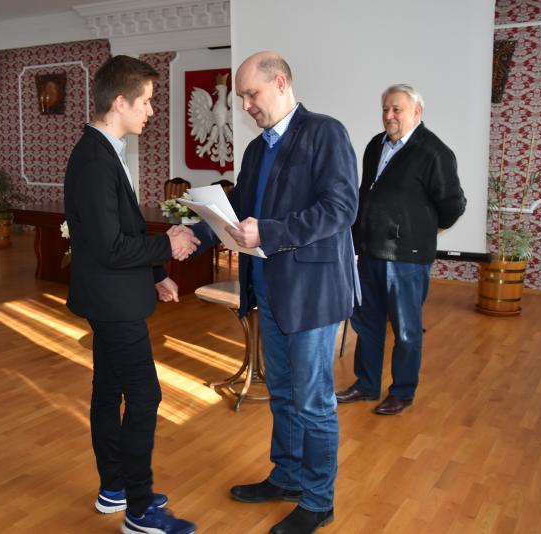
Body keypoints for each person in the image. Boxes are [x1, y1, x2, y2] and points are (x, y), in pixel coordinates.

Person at [191, 51, 358, 534]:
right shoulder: (256, 149)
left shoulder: (325, 132)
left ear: (280, 83)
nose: (245, 105)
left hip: (311, 295)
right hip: (269, 289)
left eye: (251, 94)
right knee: (282, 393)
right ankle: (286, 477)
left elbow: (341, 208)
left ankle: (318, 501)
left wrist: (269, 231)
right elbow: (238, 207)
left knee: (313, 402)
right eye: (242, 97)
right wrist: (194, 231)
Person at [64, 55, 199, 534]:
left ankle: (115, 488)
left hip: (113, 295)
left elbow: (125, 229)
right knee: (145, 396)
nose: (151, 111)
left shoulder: (103, 150)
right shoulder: (94, 160)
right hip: (113, 303)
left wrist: (156, 273)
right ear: (119, 102)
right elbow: (111, 247)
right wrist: (169, 245)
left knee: (109, 391)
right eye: (146, 101)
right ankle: (140, 512)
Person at [336, 84, 467, 415]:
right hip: (370, 253)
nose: (389, 115)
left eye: (397, 109)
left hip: (407, 260)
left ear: (417, 113)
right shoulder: (375, 145)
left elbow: (453, 204)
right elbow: (366, 193)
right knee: (367, 325)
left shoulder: (434, 152)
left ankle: (402, 392)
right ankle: (366, 385)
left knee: (406, 330)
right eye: (385, 109)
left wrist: (425, 229)